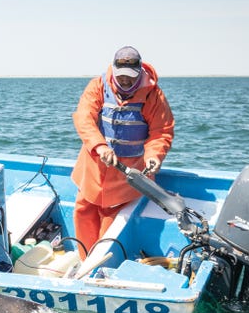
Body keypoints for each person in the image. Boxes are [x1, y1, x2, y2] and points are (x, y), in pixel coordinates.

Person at [71, 45, 174, 258]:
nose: (125, 80)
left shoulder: (153, 95)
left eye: (130, 76)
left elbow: (161, 131)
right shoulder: (98, 85)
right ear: (113, 69)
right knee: (84, 210)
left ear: (139, 72)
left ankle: (100, 265)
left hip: (127, 173)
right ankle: (84, 259)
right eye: (121, 75)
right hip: (94, 167)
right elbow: (84, 117)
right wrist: (100, 146)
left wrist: (154, 156)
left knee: (112, 221)